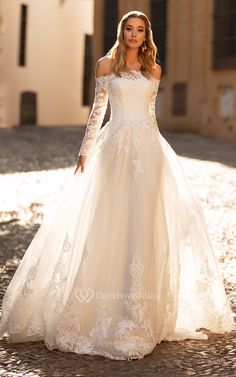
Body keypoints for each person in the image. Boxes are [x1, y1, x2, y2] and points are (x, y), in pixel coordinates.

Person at [0, 11, 235, 361]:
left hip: (148, 150)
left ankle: (141, 310)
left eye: (140, 30)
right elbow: (98, 111)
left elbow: (151, 115)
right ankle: (99, 306)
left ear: (147, 34)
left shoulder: (154, 69)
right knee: (110, 220)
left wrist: (158, 149)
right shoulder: (106, 65)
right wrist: (85, 150)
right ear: (121, 31)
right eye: (129, 29)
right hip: (115, 150)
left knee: (144, 224)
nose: (135, 34)